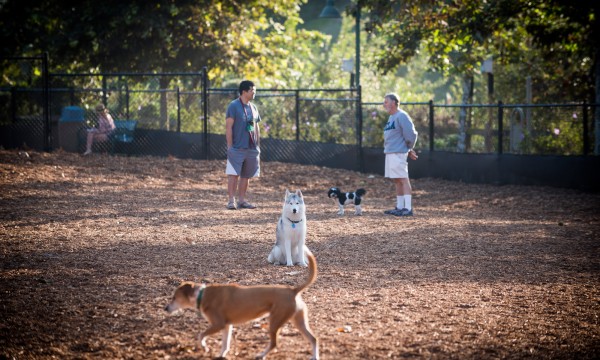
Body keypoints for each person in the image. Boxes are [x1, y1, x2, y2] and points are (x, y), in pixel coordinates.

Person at [225, 80, 261, 210]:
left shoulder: (253, 107)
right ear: (244, 91)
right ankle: (231, 201)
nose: (254, 93)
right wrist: (230, 147)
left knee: (246, 175)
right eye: (252, 90)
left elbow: (255, 127)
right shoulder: (233, 106)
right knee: (233, 174)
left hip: (251, 148)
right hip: (237, 147)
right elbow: (229, 127)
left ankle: (241, 201)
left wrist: (257, 146)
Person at [382, 93, 418, 216]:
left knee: (403, 179)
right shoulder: (391, 117)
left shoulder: (401, 116)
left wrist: (409, 148)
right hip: (391, 152)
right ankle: (400, 207)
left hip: (398, 152)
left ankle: (408, 209)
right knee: (397, 180)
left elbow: (411, 134)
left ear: (393, 103)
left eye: (386, 102)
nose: (384, 104)